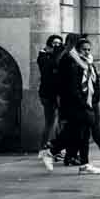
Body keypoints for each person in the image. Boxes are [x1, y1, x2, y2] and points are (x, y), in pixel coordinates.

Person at [56, 34, 100, 172]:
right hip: (79, 104)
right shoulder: (71, 61)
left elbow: (90, 80)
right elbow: (72, 86)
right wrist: (83, 103)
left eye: (89, 49)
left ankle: (82, 163)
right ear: (76, 48)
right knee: (76, 132)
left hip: (87, 102)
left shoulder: (86, 61)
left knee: (82, 134)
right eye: (84, 49)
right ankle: (52, 149)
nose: (87, 52)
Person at [35, 34, 65, 171]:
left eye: (59, 43)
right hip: (48, 94)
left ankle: (57, 148)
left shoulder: (54, 56)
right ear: (49, 44)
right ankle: (43, 149)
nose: (57, 46)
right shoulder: (43, 56)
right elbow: (48, 71)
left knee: (61, 122)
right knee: (50, 122)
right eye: (54, 43)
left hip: (57, 94)